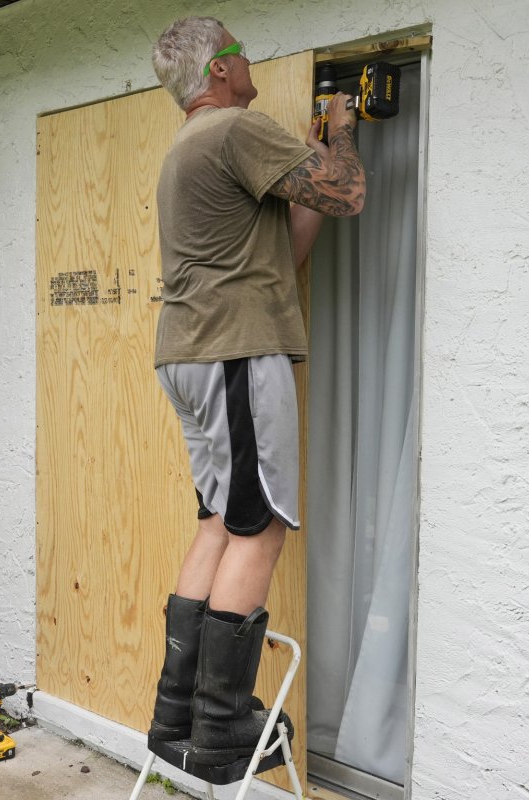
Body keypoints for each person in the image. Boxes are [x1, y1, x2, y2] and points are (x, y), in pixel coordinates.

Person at [147, 17, 366, 767]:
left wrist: (301, 160)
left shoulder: (189, 147)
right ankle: (222, 728)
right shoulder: (236, 130)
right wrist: (340, 132)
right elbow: (346, 192)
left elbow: (289, 246)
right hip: (235, 352)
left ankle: (176, 721)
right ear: (218, 71)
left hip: (192, 353)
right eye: (240, 52)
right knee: (260, 527)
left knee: (217, 522)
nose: (251, 62)